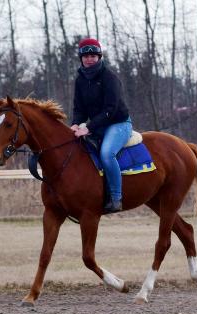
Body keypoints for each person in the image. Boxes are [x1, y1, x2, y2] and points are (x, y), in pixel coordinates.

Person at [70, 38, 132, 213]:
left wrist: (88, 127)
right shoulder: (79, 80)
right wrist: (75, 124)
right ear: (81, 58)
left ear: (99, 56)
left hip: (118, 123)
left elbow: (110, 109)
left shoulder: (109, 77)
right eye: (86, 56)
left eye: (93, 55)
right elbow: (78, 108)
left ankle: (116, 197)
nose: (89, 59)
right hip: (97, 125)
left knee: (106, 154)